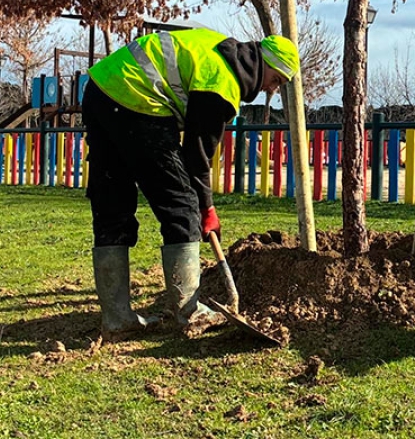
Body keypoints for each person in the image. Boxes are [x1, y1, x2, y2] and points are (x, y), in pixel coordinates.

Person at [83, 28, 299, 339]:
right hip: (139, 102)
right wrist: (206, 209)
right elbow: (196, 160)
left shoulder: (219, 49)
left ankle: (117, 319)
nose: (271, 90)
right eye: (276, 80)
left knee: (112, 202)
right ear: (263, 62)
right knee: (182, 207)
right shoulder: (221, 81)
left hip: (101, 89)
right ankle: (190, 313)